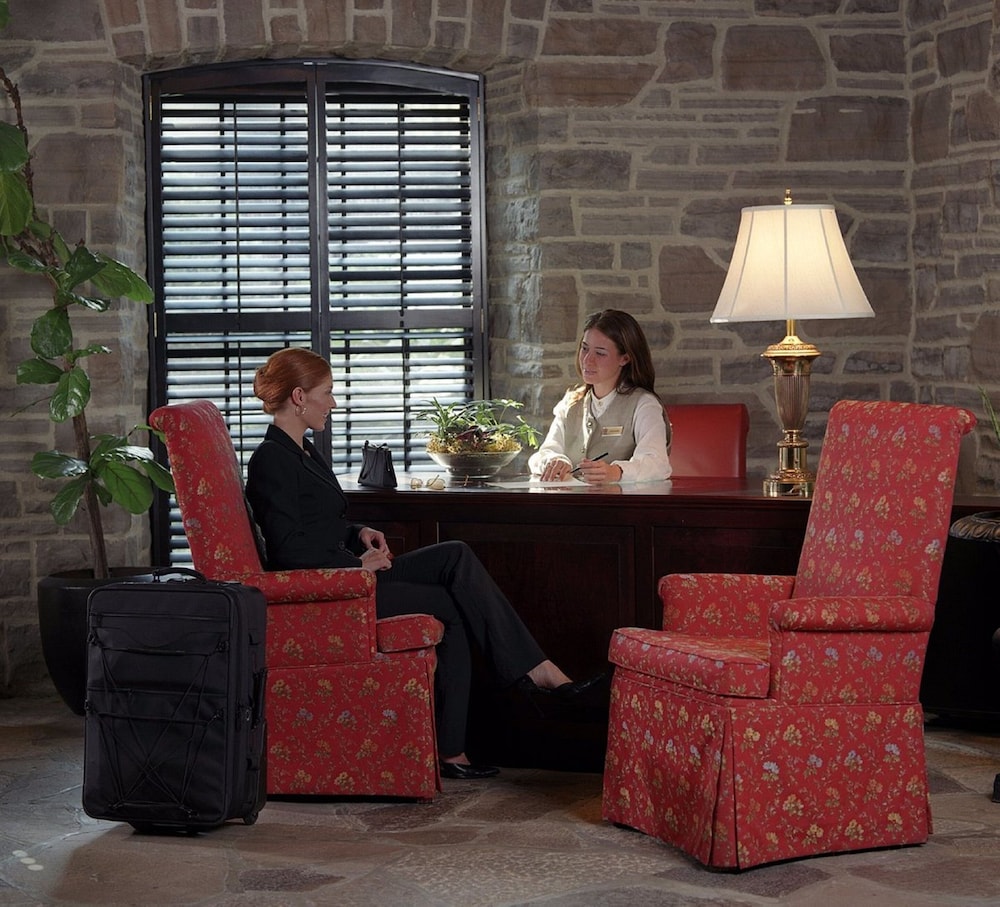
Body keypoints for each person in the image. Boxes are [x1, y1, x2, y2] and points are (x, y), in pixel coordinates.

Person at [245, 347, 600, 781]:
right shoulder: (271, 459)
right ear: (299, 397)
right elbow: (287, 551)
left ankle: (533, 677)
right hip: (336, 589)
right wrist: (358, 566)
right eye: (328, 393)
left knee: (455, 555)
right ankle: (472, 735)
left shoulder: (302, 450)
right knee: (449, 607)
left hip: (353, 571)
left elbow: (318, 524)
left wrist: (358, 532)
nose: (333, 403)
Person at [529, 309, 671, 484]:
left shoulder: (644, 405)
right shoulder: (571, 403)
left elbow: (657, 463)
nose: (587, 360)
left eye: (600, 353)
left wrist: (617, 472)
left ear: (625, 359)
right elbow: (543, 454)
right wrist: (554, 461)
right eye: (584, 348)